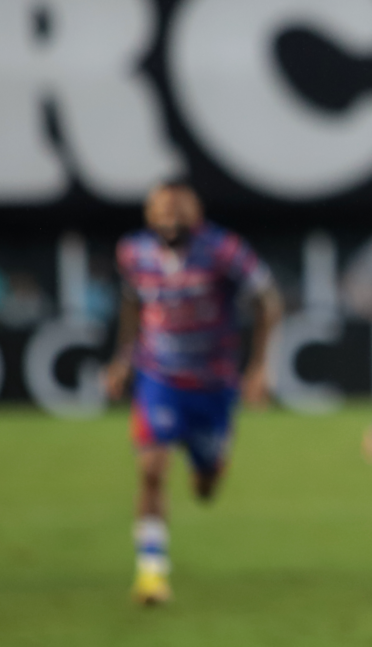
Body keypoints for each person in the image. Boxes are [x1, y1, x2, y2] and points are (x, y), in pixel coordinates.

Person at [104, 181, 283, 605]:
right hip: (159, 377)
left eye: (178, 209)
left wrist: (259, 367)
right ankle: (151, 573)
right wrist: (122, 359)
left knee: (205, 486)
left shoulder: (223, 250)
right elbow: (132, 303)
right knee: (151, 467)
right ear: (149, 215)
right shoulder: (134, 252)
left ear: (196, 213)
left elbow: (267, 300)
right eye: (161, 210)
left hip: (213, 384)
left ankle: (209, 463)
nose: (170, 217)